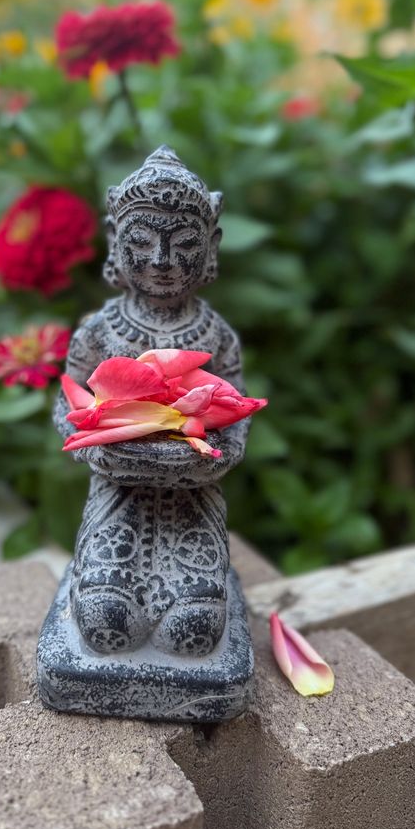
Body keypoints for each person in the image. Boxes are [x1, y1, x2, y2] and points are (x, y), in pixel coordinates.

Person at [54, 146, 251, 656]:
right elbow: (68, 404)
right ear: (116, 243)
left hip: (190, 503)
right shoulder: (100, 331)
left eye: (183, 243)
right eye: (142, 241)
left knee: (195, 629)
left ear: (210, 246)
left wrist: (214, 456)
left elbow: (236, 416)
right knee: (104, 620)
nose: (162, 261)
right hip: (118, 501)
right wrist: (100, 448)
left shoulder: (215, 335)